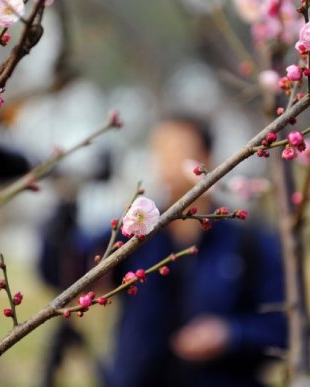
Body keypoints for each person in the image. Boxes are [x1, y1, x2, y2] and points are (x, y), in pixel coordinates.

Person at [39, 114, 287, 387]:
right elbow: (67, 275)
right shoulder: (136, 231)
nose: (167, 162)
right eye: (161, 151)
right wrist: (59, 222)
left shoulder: (248, 244)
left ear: (206, 159)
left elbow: (284, 330)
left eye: (178, 150)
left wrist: (231, 334)